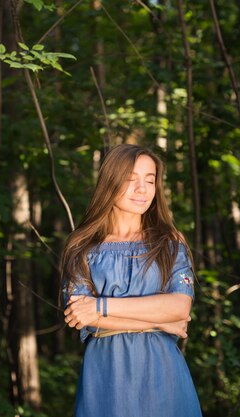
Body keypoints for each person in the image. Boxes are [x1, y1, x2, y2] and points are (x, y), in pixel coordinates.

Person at [61, 144, 202, 417]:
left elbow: (180, 308)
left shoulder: (169, 244)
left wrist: (100, 307)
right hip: (104, 375)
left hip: (163, 374)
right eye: (131, 180)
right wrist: (159, 320)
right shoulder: (82, 248)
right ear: (110, 182)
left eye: (150, 180)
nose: (142, 189)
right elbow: (79, 315)